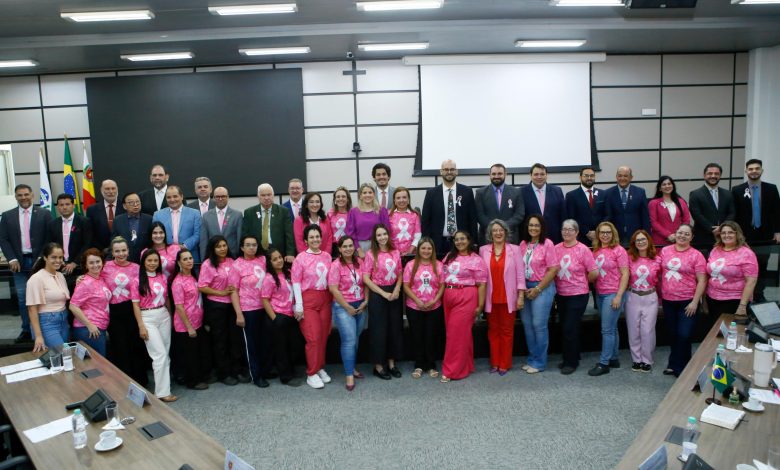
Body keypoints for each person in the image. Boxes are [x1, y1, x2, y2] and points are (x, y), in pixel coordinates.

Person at [0, 184, 52, 343]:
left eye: (26, 194)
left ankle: (42, 329)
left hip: (39, 262)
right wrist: (12, 259)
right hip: (19, 262)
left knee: (43, 297)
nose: (23, 198)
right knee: (23, 298)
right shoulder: (7, 215)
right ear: (16, 197)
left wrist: (42, 257)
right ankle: (26, 330)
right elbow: (3, 239)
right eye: (20, 195)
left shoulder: (45, 214)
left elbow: (49, 238)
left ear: (32, 195)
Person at [659, 224, 707, 377]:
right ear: (675, 234)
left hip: (687, 301)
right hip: (668, 300)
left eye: (687, 234)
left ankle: (682, 365)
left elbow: (702, 280)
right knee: (673, 334)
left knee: (684, 334)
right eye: (680, 233)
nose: (682, 236)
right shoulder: (665, 251)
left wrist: (695, 301)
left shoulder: (696, 255)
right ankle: (675, 364)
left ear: (692, 237)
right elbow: (658, 271)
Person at [199, 235, 247, 386]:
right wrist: (221, 293)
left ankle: (237, 370)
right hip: (216, 307)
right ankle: (223, 373)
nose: (222, 249)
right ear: (213, 249)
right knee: (220, 341)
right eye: (218, 246)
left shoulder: (232, 262)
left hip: (232, 305)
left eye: (224, 245)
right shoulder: (208, 264)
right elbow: (202, 286)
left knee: (235, 339)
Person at [440, 230, 487, 382]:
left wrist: (480, 305)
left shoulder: (476, 260)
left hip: (466, 296)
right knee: (459, 334)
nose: (459, 242)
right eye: (456, 239)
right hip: (448, 296)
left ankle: (452, 371)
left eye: (462, 239)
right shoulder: (449, 256)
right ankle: (466, 365)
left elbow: (481, 285)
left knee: (455, 335)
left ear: (469, 240)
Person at [130, 249, 177, 402]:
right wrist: (141, 326)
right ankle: (162, 393)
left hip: (163, 315)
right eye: (149, 260)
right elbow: (135, 306)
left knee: (165, 353)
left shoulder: (162, 277)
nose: (152, 263)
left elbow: (167, 299)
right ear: (143, 261)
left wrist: (171, 316)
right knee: (159, 355)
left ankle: (165, 386)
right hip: (147, 317)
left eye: (155, 261)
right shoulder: (137, 281)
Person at [479, 219, 525, 375]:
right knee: (493, 331)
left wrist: (520, 296)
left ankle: (505, 363)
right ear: (490, 234)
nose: (498, 233)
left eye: (501, 230)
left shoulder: (515, 249)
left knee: (507, 331)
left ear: (506, 232)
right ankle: (495, 362)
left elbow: (520, 275)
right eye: (494, 231)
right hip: (490, 299)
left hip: (508, 298)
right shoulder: (483, 250)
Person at [731, 158, 780, 302]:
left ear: (761, 171)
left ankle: (758, 294)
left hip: (766, 236)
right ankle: (745, 295)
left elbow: (777, 212)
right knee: (744, 267)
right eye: (751, 169)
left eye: (757, 168)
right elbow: (735, 214)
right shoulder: (737, 190)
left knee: (762, 266)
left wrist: (778, 232)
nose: (754, 171)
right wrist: (737, 235)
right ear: (746, 171)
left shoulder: (771, 188)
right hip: (744, 237)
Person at [291, 225, 334, 389]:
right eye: (312, 237)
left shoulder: (327, 257)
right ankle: (311, 373)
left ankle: (320, 367)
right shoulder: (300, 258)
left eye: (318, 236)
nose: (315, 239)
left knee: (323, 336)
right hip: (308, 299)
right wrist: (299, 305)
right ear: (305, 240)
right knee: (313, 337)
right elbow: (295, 282)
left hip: (325, 298)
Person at [554, 219, 598, 375]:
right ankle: (573, 355)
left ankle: (570, 362)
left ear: (577, 232)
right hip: (561, 294)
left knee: (569, 328)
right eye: (564, 229)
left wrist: (583, 281)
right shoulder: (556, 248)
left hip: (578, 294)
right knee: (567, 327)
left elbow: (593, 271)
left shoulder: (583, 249)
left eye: (570, 229)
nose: (566, 232)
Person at [102, 237, 147, 386]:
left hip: (132, 308)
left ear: (128, 251)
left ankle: (140, 381)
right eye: (117, 251)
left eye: (123, 250)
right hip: (114, 312)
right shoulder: (105, 267)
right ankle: (123, 382)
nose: (121, 253)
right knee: (119, 346)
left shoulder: (136, 267)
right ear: (112, 252)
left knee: (135, 345)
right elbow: (94, 278)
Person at [229, 235, 273, 388]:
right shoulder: (236, 265)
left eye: (254, 245)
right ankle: (256, 375)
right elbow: (233, 291)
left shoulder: (263, 260)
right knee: (251, 345)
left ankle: (265, 369)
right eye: (248, 245)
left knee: (265, 341)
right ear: (242, 247)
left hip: (266, 307)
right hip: (248, 309)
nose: (251, 247)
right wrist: (239, 313)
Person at [362, 224, 403, 380]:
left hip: (394, 292)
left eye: (384, 234)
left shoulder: (395, 252)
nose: (382, 237)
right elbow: (366, 278)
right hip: (378, 293)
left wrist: (397, 289)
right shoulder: (371, 254)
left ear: (388, 235)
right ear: (375, 238)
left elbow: (400, 273)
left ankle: (391, 364)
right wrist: (383, 293)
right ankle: (378, 366)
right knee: (379, 330)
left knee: (394, 328)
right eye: (379, 235)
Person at [588, 222, 629, 377]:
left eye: (608, 232)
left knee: (606, 329)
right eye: (602, 232)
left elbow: (625, 274)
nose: (605, 235)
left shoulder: (619, 251)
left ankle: (604, 363)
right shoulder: (596, 251)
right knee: (612, 328)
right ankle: (614, 358)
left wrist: (619, 295)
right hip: (600, 293)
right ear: (598, 234)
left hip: (613, 293)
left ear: (613, 234)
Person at [518, 215, 558, 373]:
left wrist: (538, 289)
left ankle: (540, 362)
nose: (533, 228)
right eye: (531, 225)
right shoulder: (523, 244)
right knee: (528, 325)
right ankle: (532, 358)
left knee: (538, 325)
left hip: (542, 287)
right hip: (525, 288)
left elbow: (553, 269)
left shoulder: (547, 244)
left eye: (537, 225)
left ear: (542, 228)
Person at [328, 236, 369, 391]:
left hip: (360, 305)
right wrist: (347, 307)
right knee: (349, 340)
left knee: (356, 338)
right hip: (343, 307)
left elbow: (366, 282)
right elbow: (333, 288)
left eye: (350, 245)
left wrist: (366, 300)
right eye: (344, 246)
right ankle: (349, 375)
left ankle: (352, 367)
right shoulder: (335, 265)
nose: (348, 249)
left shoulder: (360, 262)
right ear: (339, 248)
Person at [170, 249, 211, 391]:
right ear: (179, 262)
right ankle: (192, 381)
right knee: (190, 355)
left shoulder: (193, 276)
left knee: (198, 352)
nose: (189, 261)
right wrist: (189, 327)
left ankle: (200, 376)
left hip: (197, 321)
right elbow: (179, 307)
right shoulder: (177, 282)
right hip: (185, 325)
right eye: (185, 259)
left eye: (190, 258)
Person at [402, 237, 444, 379]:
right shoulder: (410, 265)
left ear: (432, 250)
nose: (426, 251)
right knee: (417, 336)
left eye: (429, 248)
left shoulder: (438, 265)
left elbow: (442, 285)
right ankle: (419, 365)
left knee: (431, 336)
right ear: (418, 250)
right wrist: (417, 301)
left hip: (434, 307)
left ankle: (431, 365)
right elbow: (406, 286)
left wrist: (435, 300)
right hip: (414, 307)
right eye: (423, 248)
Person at [421, 160, 478, 257]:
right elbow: (426, 221)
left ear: (456, 171)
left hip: (462, 243)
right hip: (438, 243)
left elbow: (472, 219)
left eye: (452, 169)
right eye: (446, 169)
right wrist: (426, 242)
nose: (449, 172)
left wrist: (474, 242)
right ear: (441, 172)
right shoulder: (431, 193)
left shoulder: (467, 192)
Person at [261, 247, 300, 387]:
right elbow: (264, 299)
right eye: (274, 259)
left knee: (293, 345)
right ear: (269, 262)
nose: (278, 261)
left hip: (291, 315)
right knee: (281, 348)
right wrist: (275, 318)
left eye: (279, 257)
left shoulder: (288, 273)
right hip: (278, 316)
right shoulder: (269, 278)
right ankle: (286, 376)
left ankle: (291, 370)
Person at [625, 230, 661, 373]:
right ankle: (636, 359)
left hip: (650, 296)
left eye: (643, 239)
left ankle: (647, 359)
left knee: (647, 330)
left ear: (649, 241)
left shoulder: (657, 259)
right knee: (633, 330)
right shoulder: (629, 258)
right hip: (633, 296)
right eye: (638, 240)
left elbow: (662, 279)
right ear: (634, 243)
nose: (641, 242)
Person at [706, 221, 758, 318]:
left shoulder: (746, 253)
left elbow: (751, 281)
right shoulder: (715, 249)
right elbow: (709, 274)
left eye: (730, 232)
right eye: (723, 233)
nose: (726, 235)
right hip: (712, 298)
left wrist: (742, 306)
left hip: (734, 300)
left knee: (729, 331)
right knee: (714, 330)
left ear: (737, 234)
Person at [25, 243, 70, 352]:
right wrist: (38, 336)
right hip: (47, 323)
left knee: (61, 358)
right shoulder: (36, 279)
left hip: (63, 320)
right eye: (53, 257)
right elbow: (32, 309)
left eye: (60, 257)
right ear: (45, 258)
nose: (58, 260)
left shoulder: (60, 276)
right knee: (63, 354)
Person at [69, 248, 111, 356]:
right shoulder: (85, 283)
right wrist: (89, 325)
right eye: (91, 263)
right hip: (89, 329)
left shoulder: (100, 278)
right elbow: (73, 306)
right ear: (86, 265)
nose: (95, 265)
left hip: (99, 327)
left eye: (98, 261)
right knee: (97, 366)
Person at [48, 193, 92, 291]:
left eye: (67, 204)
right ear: (58, 207)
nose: (64, 207)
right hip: (59, 266)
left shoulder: (84, 221)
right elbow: (50, 245)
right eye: (61, 205)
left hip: (79, 266)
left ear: (73, 205)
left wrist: (75, 263)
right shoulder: (52, 224)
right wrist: (59, 260)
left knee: (80, 294)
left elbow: (87, 244)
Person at [242, 183, 295, 263]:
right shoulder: (249, 212)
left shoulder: (283, 211)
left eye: (269, 195)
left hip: (279, 253)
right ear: (258, 196)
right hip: (257, 252)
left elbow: (289, 234)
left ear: (273, 195)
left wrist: (290, 253)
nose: (266, 198)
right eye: (263, 195)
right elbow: (245, 234)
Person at [688, 163, 736, 249]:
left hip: (725, 237)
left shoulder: (728, 194)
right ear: (704, 175)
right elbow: (697, 215)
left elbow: (732, 213)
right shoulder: (695, 194)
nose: (713, 176)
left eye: (716, 174)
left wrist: (722, 228)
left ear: (720, 175)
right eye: (710, 173)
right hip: (703, 238)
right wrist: (712, 229)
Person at [475, 163, 524, 245]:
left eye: (500, 173)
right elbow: (479, 215)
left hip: (510, 237)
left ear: (505, 174)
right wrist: (493, 228)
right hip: (487, 238)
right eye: (494, 174)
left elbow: (519, 214)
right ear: (489, 175)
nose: (496, 176)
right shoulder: (480, 193)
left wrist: (503, 227)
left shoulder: (516, 192)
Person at [152, 185, 202, 262]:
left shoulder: (195, 213)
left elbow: (198, 234)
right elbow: (155, 235)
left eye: (175, 196)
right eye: (169, 197)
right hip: (165, 258)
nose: (172, 199)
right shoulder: (157, 215)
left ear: (181, 197)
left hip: (189, 255)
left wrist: (183, 246)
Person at [520, 163, 566, 244]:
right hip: (530, 238)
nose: (539, 177)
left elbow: (562, 215)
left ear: (546, 175)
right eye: (536, 174)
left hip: (554, 238)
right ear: (530, 175)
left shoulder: (557, 191)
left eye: (542, 174)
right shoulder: (521, 192)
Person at [604, 166, 650, 246]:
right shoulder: (608, 193)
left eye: (625, 176)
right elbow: (607, 216)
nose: (622, 178)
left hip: (636, 235)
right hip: (615, 236)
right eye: (620, 175)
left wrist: (647, 235)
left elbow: (645, 216)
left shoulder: (640, 192)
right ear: (616, 177)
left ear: (631, 177)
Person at [346, 183, 390, 257]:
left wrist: (383, 247)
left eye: (370, 192)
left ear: (374, 195)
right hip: (360, 247)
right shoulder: (353, 212)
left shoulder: (381, 210)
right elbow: (350, 233)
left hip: (378, 245)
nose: (367, 195)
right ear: (360, 196)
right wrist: (358, 249)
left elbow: (387, 230)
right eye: (364, 193)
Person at [200, 186, 242, 260]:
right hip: (213, 257)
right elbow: (204, 241)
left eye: (223, 196)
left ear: (228, 197)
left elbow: (239, 239)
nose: (220, 199)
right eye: (217, 196)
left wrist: (239, 257)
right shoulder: (206, 216)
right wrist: (204, 259)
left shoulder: (237, 215)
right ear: (213, 198)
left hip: (232, 257)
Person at [565, 167, 604, 245]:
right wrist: (587, 232)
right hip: (581, 238)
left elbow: (607, 214)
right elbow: (571, 218)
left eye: (592, 175)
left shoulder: (603, 194)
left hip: (601, 237)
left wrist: (598, 231)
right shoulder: (571, 195)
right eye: (586, 175)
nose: (589, 178)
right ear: (580, 177)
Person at [648, 176, 691, 247]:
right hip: (660, 240)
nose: (667, 186)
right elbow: (653, 222)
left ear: (673, 186)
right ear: (660, 188)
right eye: (664, 184)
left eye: (669, 184)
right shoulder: (653, 203)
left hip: (679, 240)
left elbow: (686, 220)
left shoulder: (681, 201)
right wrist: (668, 235)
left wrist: (679, 234)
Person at [111, 192, 153, 263]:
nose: (135, 205)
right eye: (131, 203)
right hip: (124, 260)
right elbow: (113, 241)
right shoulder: (118, 220)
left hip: (145, 261)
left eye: (137, 202)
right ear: (124, 206)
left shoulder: (149, 219)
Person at [86, 179, 125, 252]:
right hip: (101, 252)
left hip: (122, 250)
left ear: (117, 190)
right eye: (107, 189)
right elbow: (90, 233)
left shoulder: (125, 207)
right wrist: (101, 249)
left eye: (113, 188)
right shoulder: (92, 210)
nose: (111, 191)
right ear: (101, 190)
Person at [388, 186, 422, 256]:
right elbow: (386, 236)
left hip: (411, 253)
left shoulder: (415, 215)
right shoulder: (389, 215)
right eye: (398, 198)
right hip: (393, 253)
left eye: (404, 197)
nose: (401, 200)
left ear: (408, 199)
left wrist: (410, 251)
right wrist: (394, 252)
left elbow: (417, 236)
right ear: (394, 200)